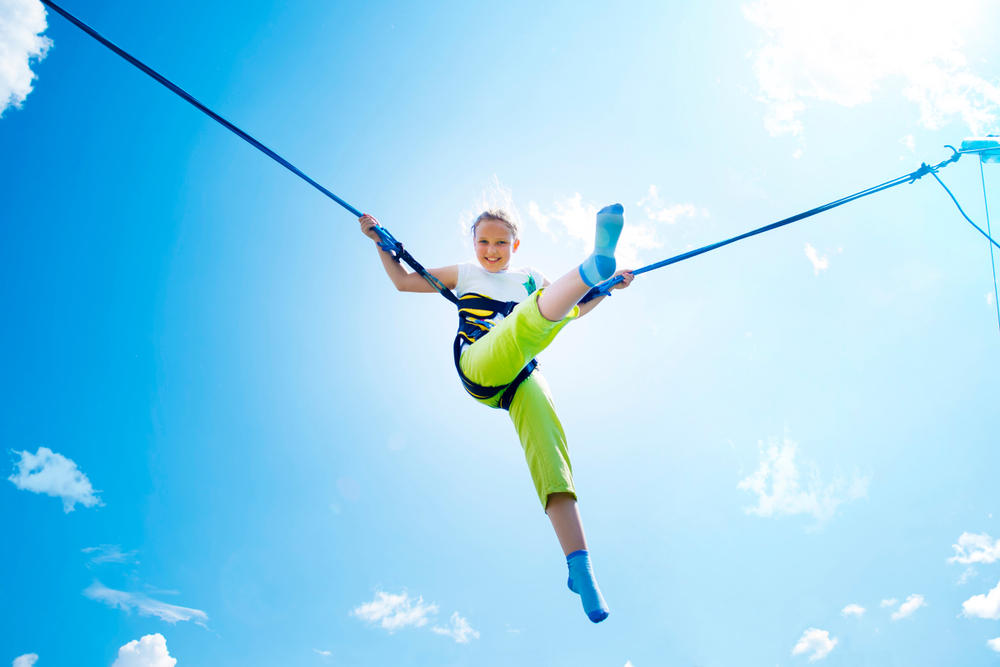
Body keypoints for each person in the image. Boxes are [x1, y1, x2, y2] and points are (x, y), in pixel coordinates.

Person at [359, 204, 633, 623]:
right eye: (484, 242)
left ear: (515, 244)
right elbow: (402, 282)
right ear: (474, 244)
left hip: (523, 372)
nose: (491, 250)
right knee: (528, 319)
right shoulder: (465, 273)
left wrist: (607, 289)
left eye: (500, 242)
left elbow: (571, 311)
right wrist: (382, 244)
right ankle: (589, 267)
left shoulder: (528, 279)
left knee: (552, 451)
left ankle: (580, 568)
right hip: (480, 365)